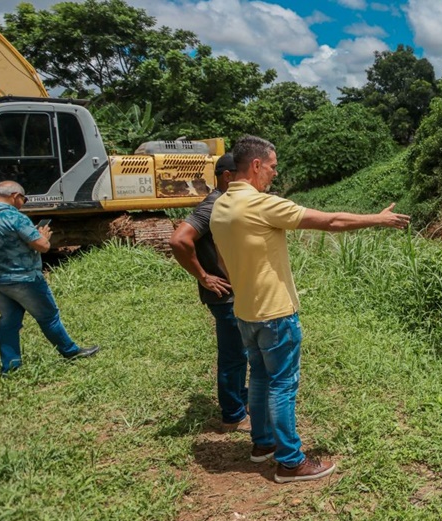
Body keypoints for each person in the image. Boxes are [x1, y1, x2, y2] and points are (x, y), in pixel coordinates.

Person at [210, 135, 410, 483]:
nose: (274, 174)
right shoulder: (261, 204)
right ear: (256, 166)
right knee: (283, 384)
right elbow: (330, 222)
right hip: (275, 313)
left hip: (245, 311)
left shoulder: (221, 206)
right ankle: (290, 461)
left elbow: (225, 261)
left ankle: (263, 445)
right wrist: (378, 220)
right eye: (272, 167)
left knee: (258, 378)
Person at [0, 180, 99, 373]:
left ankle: (11, 366)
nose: (24, 202)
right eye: (24, 198)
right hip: (24, 279)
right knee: (49, 317)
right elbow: (42, 246)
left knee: (9, 321)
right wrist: (44, 236)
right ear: (15, 196)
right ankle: (71, 351)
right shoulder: (16, 218)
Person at [170, 154, 250, 432]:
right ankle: (233, 414)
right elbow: (179, 240)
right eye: (243, 175)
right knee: (232, 354)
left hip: (233, 293)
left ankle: (240, 397)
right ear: (228, 176)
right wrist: (204, 277)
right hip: (224, 295)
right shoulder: (213, 204)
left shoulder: (224, 203)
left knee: (240, 352)